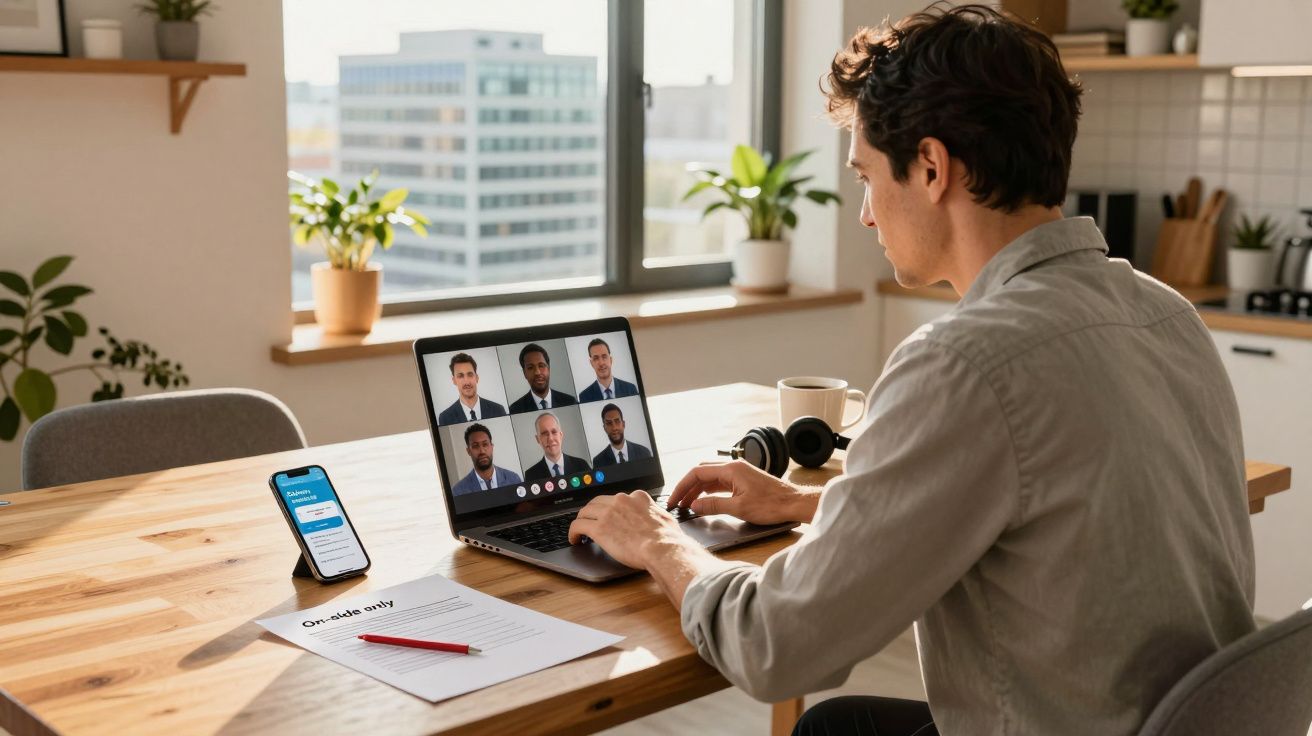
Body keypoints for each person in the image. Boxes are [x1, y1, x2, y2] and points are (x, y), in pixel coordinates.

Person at [566, 6, 1255, 736]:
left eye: (865, 176)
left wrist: (657, 542)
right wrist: (807, 507)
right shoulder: (1166, 312)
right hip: (1178, 719)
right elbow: (1048, 505)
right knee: (838, 728)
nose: (865, 214)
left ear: (930, 167)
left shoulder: (964, 363)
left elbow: (775, 647)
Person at [450, 423, 521, 496]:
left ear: (492, 447)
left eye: (485, 444)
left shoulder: (514, 479)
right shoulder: (458, 491)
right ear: (468, 451)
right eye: (475, 446)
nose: (482, 451)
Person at [437, 353, 508, 425]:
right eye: (460, 376)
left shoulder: (498, 410)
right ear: (454, 380)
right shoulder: (445, 418)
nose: (467, 382)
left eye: (470, 375)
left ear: (477, 378)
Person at [509, 343, 578, 413]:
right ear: (524, 373)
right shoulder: (515, 409)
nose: (537, 372)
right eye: (530, 368)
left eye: (541, 366)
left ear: (548, 369)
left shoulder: (570, 402)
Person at [523, 412, 590, 481]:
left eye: (554, 432)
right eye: (544, 434)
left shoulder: (582, 466)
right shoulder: (531, 476)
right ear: (538, 439)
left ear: (561, 435)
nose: (550, 439)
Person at [578, 338, 638, 402]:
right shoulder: (584, 397)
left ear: (611, 360)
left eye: (604, 357)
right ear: (591, 363)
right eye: (596, 358)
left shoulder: (630, 389)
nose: (601, 363)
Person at [591, 403, 651, 467]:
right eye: (609, 423)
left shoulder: (644, 453)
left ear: (623, 424)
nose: (614, 428)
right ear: (604, 428)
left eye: (617, 421)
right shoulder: (598, 462)